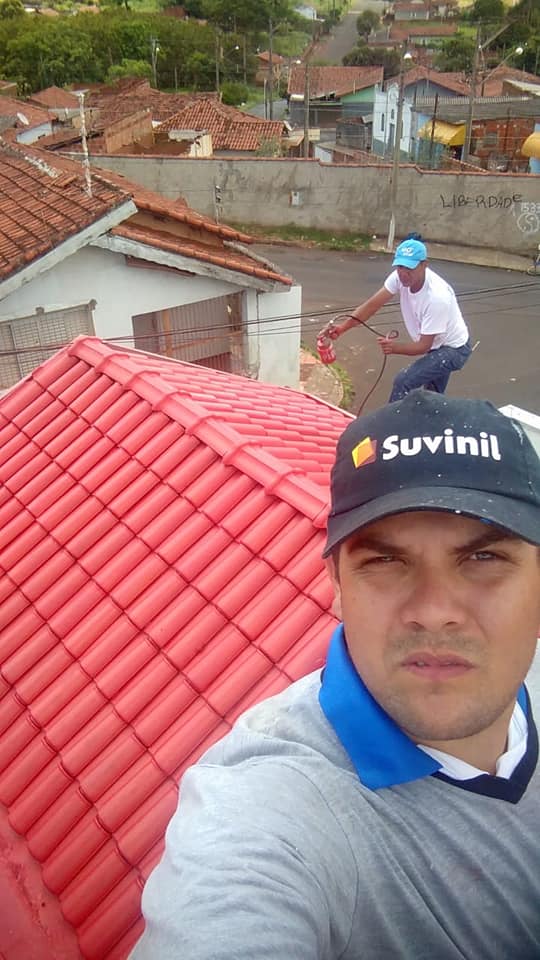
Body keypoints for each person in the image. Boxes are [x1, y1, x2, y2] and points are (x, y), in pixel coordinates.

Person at [130, 390, 540, 960]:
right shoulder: (272, 804)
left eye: (483, 558)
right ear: (337, 585)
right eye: (385, 561)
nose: (434, 610)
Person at [323, 235, 472, 402]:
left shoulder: (437, 298)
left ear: (424, 265)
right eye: (400, 266)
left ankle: (393, 419)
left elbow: (423, 346)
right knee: (432, 398)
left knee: (404, 381)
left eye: (409, 268)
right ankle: (427, 416)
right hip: (436, 344)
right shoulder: (398, 277)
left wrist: (394, 348)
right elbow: (371, 306)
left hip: (453, 349)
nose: (403, 274)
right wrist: (342, 328)